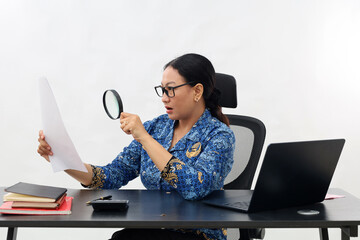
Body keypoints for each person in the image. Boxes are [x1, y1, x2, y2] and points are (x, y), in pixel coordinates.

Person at [37, 53, 235, 240]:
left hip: (197, 234)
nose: (164, 98)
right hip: (155, 229)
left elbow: (195, 188)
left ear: (197, 91)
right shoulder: (155, 127)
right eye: (162, 90)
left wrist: (145, 139)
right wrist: (62, 159)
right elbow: (110, 176)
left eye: (171, 89)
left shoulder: (220, 136)